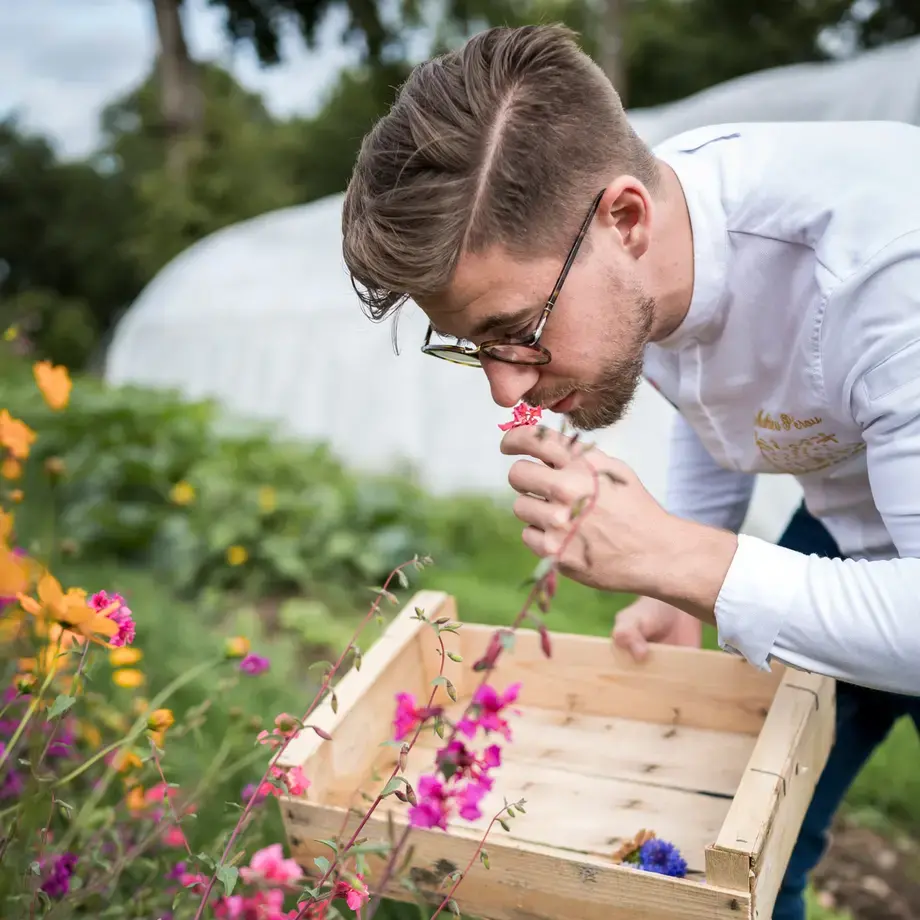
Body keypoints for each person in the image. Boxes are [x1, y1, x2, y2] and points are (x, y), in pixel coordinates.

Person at [340, 23, 920, 919]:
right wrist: (684, 566)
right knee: (750, 854)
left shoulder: (889, 272)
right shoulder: (646, 235)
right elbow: (705, 376)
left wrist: (683, 559)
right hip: (854, 516)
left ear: (626, 220)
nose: (505, 388)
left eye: (518, 329)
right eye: (473, 347)